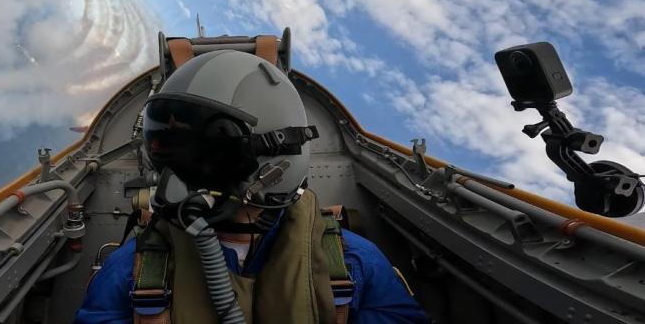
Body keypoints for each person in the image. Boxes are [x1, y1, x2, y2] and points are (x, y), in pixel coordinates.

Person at [76, 50, 429, 324]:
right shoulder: (134, 270)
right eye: (167, 152)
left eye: (203, 157)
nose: (174, 177)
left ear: (275, 168)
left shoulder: (353, 265)